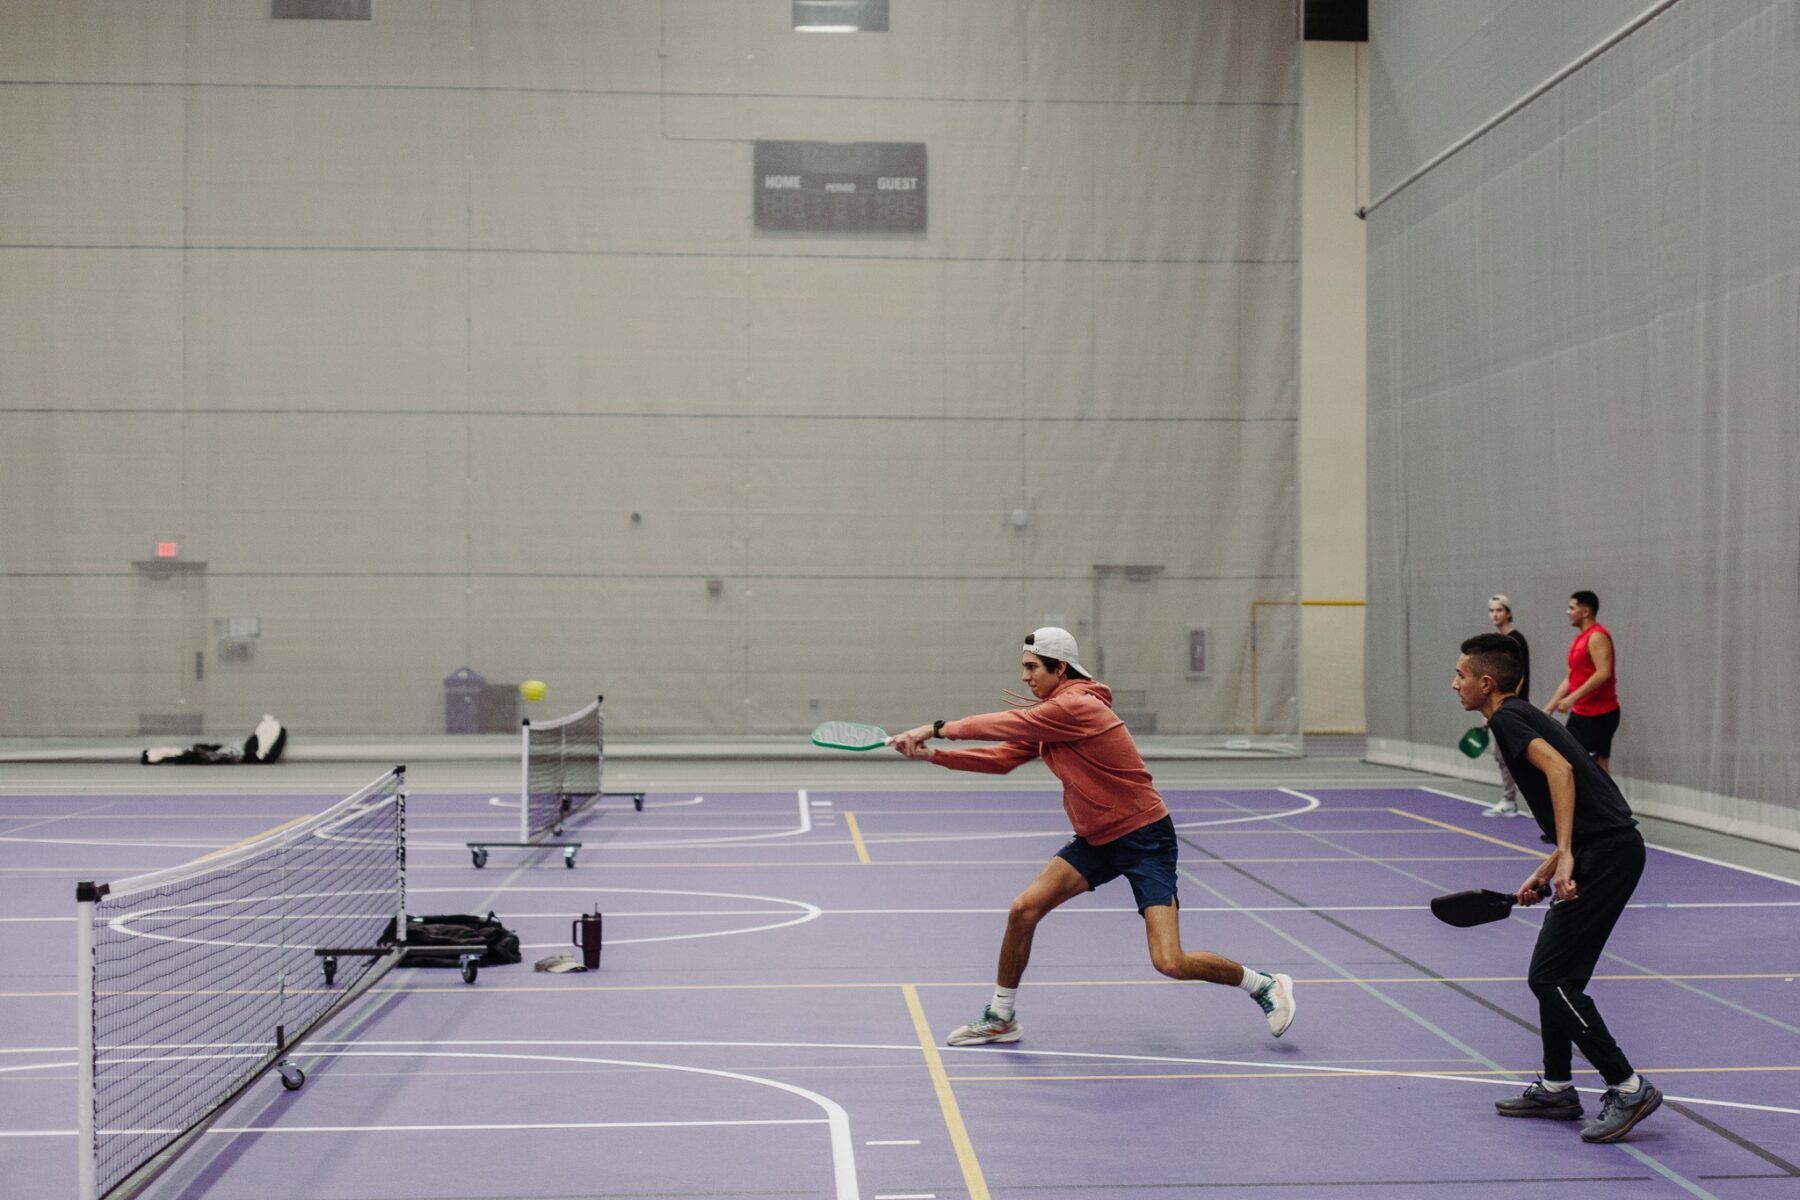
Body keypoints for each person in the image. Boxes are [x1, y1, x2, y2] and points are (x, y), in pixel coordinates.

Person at [889, 627, 1296, 1047]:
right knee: (1023, 910)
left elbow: (1006, 723)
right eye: (1023, 668)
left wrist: (934, 728)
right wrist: (934, 757)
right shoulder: (1052, 713)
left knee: (1169, 961)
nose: (1025, 677)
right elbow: (1003, 759)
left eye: (1032, 667)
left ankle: (1263, 984)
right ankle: (1001, 1016)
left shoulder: (1076, 707)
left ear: (1059, 667)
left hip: (1145, 838)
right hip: (1097, 839)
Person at [1453, 633, 1660, 1144]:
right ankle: (1557, 1086)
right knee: (1559, 975)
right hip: (1604, 850)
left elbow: (1562, 772)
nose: (1453, 683)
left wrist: (1565, 852)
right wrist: (1547, 867)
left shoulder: (1507, 718)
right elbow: (1590, 796)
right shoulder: (1520, 714)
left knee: (1550, 979)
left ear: (1486, 682)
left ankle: (1627, 1085)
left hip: (1605, 857)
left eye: (1460, 675)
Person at [1544, 590, 1620, 776]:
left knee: (1594, 768)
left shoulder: (1597, 636)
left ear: (1585, 611)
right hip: (1581, 714)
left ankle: (1607, 806)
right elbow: (1571, 678)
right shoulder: (1579, 639)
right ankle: (1598, 805)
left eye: (1572, 607)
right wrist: (1549, 709)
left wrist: (1571, 699)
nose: (1567, 612)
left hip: (1599, 714)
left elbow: (1604, 673)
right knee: (1574, 761)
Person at [1482, 595, 1531, 818]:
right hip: (1499, 707)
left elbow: (1518, 676)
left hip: (1511, 708)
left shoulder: (1515, 640)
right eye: (1492, 610)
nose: (1495, 614)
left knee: (1514, 756)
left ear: (1508, 613)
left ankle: (1515, 800)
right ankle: (1510, 799)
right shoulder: (1498, 641)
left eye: (1499, 610)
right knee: (1501, 755)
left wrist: (1501, 706)